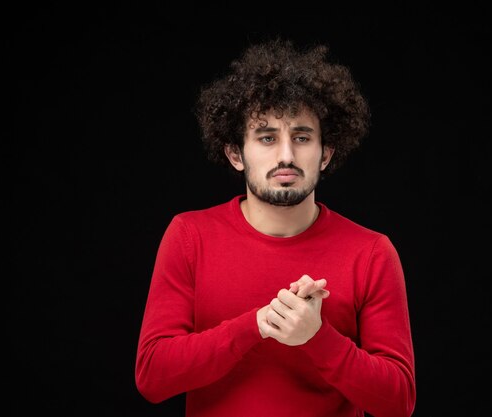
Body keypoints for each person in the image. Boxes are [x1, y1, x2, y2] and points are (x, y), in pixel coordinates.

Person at [135, 38, 416, 417]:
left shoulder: (371, 253)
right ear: (236, 154)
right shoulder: (189, 237)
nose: (286, 155)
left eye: (301, 137)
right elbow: (153, 376)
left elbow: (399, 402)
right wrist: (257, 325)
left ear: (325, 153)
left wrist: (317, 337)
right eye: (267, 138)